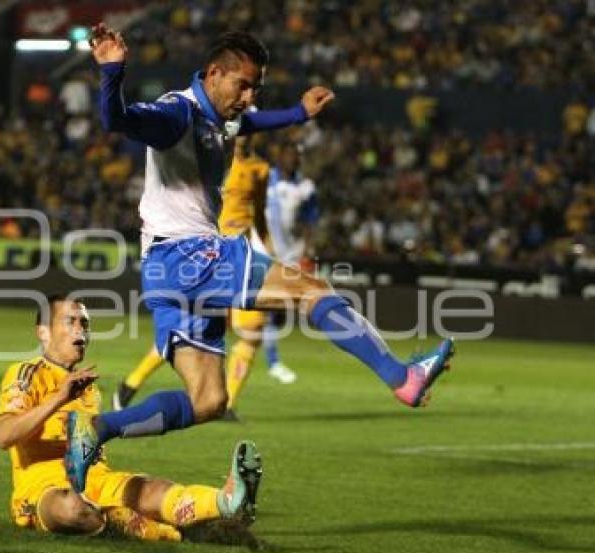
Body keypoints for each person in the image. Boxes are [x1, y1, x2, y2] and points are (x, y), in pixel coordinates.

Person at [66, 24, 454, 494]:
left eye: (256, 88)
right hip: (191, 255)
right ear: (213, 73)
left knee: (209, 400)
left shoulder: (221, 115)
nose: (249, 97)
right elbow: (119, 121)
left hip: (164, 271)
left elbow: (245, 123)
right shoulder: (176, 113)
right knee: (312, 292)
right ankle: (402, 377)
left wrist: (298, 114)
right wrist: (111, 73)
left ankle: (96, 430)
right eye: (243, 85)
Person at [0, 295, 263, 540]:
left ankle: (226, 501)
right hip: (44, 490)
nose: (81, 329)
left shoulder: (87, 385)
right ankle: (157, 530)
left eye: (85, 323)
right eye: (70, 321)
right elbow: (4, 436)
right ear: (43, 332)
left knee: (152, 491)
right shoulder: (27, 373)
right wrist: (59, 398)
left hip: (98, 479)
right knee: (71, 509)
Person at [112, 135, 300, 419]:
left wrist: (269, 249)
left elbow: (258, 213)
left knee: (250, 334)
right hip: (205, 257)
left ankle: (229, 405)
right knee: (189, 331)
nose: (244, 132)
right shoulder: (211, 158)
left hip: (238, 258)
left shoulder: (259, 169)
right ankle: (131, 382)